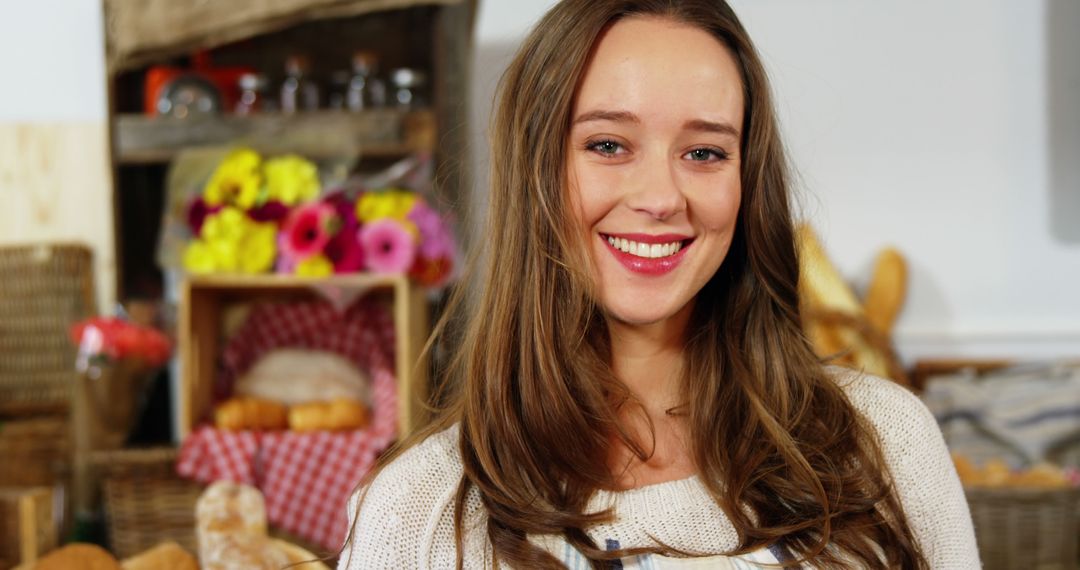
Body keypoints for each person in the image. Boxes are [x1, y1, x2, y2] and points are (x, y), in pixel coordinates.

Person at [338, 1, 980, 568]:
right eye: (609, 144)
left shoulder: (883, 442)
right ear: (535, 171)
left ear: (747, 183)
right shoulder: (419, 511)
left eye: (704, 152)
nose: (660, 198)